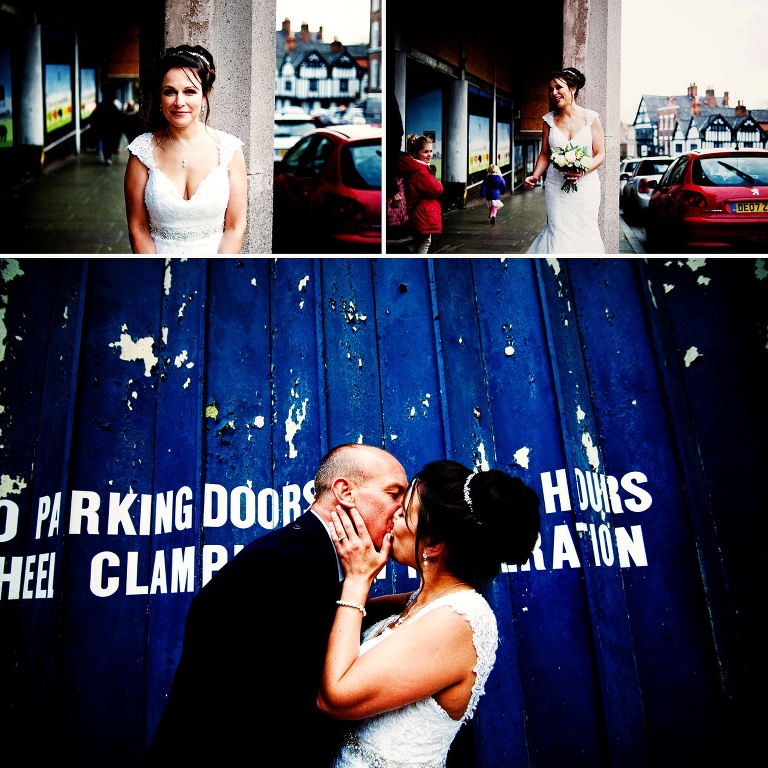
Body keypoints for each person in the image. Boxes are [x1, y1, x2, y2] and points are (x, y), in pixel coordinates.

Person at [143, 443, 408, 767]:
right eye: (394, 493)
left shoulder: (322, 561)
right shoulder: (277, 564)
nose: (401, 508)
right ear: (345, 492)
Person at [318, 459, 541, 768]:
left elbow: (335, 698)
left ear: (433, 544)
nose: (392, 517)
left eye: (404, 513)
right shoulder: (419, 603)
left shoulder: (460, 618)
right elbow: (339, 619)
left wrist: (358, 579)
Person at [124, 44, 247, 254]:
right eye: (170, 92)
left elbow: (234, 228)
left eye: (189, 91)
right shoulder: (141, 152)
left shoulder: (229, 150)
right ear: (160, 97)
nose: (179, 102)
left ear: (205, 94)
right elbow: (138, 228)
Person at [524, 67, 605, 253]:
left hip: (586, 188)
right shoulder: (548, 121)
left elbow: (600, 154)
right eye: (551, 89)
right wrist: (535, 176)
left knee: (585, 231)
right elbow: (545, 154)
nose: (554, 93)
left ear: (573, 88)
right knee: (558, 231)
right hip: (555, 186)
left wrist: (582, 170)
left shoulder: (591, 118)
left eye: (558, 87)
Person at [398, 134, 443, 254]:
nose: (429, 155)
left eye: (431, 151)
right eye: (425, 152)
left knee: (418, 240)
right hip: (423, 213)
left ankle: (407, 251)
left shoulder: (414, 168)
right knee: (425, 242)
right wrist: (439, 184)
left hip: (417, 211)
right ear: (416, 153)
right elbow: (435, 189)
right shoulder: (421, 172)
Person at [90, 90, 124, 166]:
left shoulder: (100, 106)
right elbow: (119, 118)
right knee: (110, 143)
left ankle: (107, 157)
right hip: (112, 130)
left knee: (105, 143)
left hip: (102, 129)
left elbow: (93, 118)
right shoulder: (114, 107)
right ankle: (109, 157)